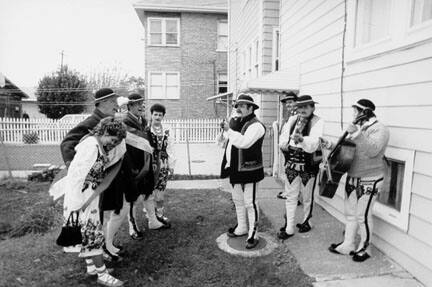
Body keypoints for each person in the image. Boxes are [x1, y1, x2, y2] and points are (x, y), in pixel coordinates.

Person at [60, 88, 136, 262]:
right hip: (93, 183)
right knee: (96, 218)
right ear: (100, 103)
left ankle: (102, 249)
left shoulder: (109, 121)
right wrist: (82, 172)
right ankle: (97, 253)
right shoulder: (92, 122)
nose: (115, 106)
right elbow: (67, 143)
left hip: (109, 178)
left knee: (104, 215)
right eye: (111, 102)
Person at [51, 117, 127, 287]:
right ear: (106, 132)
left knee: (87, 237)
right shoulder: (91, 147)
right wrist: (79, 204)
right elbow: (77, 177)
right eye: (113, 140)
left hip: (87, 198)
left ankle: (92, 268)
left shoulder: (97, 145)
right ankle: (102, 274)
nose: (113, 145)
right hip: (80, 200)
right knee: (93, 237)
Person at [322, 99, 389, 262]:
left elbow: (372, 150)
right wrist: (329, 144)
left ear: (364, 112)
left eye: (355, 111)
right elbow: (347, 149)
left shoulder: (380, 129)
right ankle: (348, 244)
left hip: (370, 179)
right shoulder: (359, 128)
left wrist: (357, 134)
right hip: (353, 177)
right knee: (350, 214)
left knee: (363, 216)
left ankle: (365, 248)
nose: (353, 115)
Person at [221, 94, 266, 249]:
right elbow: (226, 142)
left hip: (250, 169)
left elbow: (244, 143)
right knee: (238, 200)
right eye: (237, 106)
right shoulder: (236, 122)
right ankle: (242, 227)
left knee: (250, 202)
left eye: (242, 106)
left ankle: (254, 233)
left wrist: (229, 130)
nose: (238, 109)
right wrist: (223, 134)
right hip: (235, 169)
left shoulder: (256, 125)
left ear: (251, 108)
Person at [123, 94, 170, 240]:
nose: (141, 106)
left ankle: (153, 221)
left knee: (148, 192)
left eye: (142, 104)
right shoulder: (125, 121)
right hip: (133, 165)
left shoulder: (142, 121)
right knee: (133, 198)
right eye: (138, 104)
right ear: (130, 105)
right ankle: (133, 227)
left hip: (146, 162)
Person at [277, 95, 324, 240]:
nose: (302, 110)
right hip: (292, 162)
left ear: (312, 107)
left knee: (307, 196)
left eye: (306, 107)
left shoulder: (318, 121)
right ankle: (289, 227)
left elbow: (314, 144)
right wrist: (285, 144)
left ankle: (307, 221)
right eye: (300, 107)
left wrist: (302, 140)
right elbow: (283, 139)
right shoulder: (292, 120)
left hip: (308, 163)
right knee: (291, 196)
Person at [146, 104, 175, 225]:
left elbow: (171, 148)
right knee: (149, 192)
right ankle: (150, 216)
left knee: (160, 193)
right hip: (149, 164)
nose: (157, 117)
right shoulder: (146, 129)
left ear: (163, 116)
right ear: (151, 115)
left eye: (160, 115)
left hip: (162, 164)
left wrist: (171, 165)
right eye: (155, 114)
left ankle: (160, 215)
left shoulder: (167, 130)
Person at [275, 91, 298, 199]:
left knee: (292, 174)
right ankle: (288, 192)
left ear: (296, 102)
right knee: (288, 171)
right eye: (286, 103)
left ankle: (293, 196)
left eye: (290, 102)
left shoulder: (298, 116)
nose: (288, 105)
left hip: (292, 149)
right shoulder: (290, 115)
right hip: (286, 150)